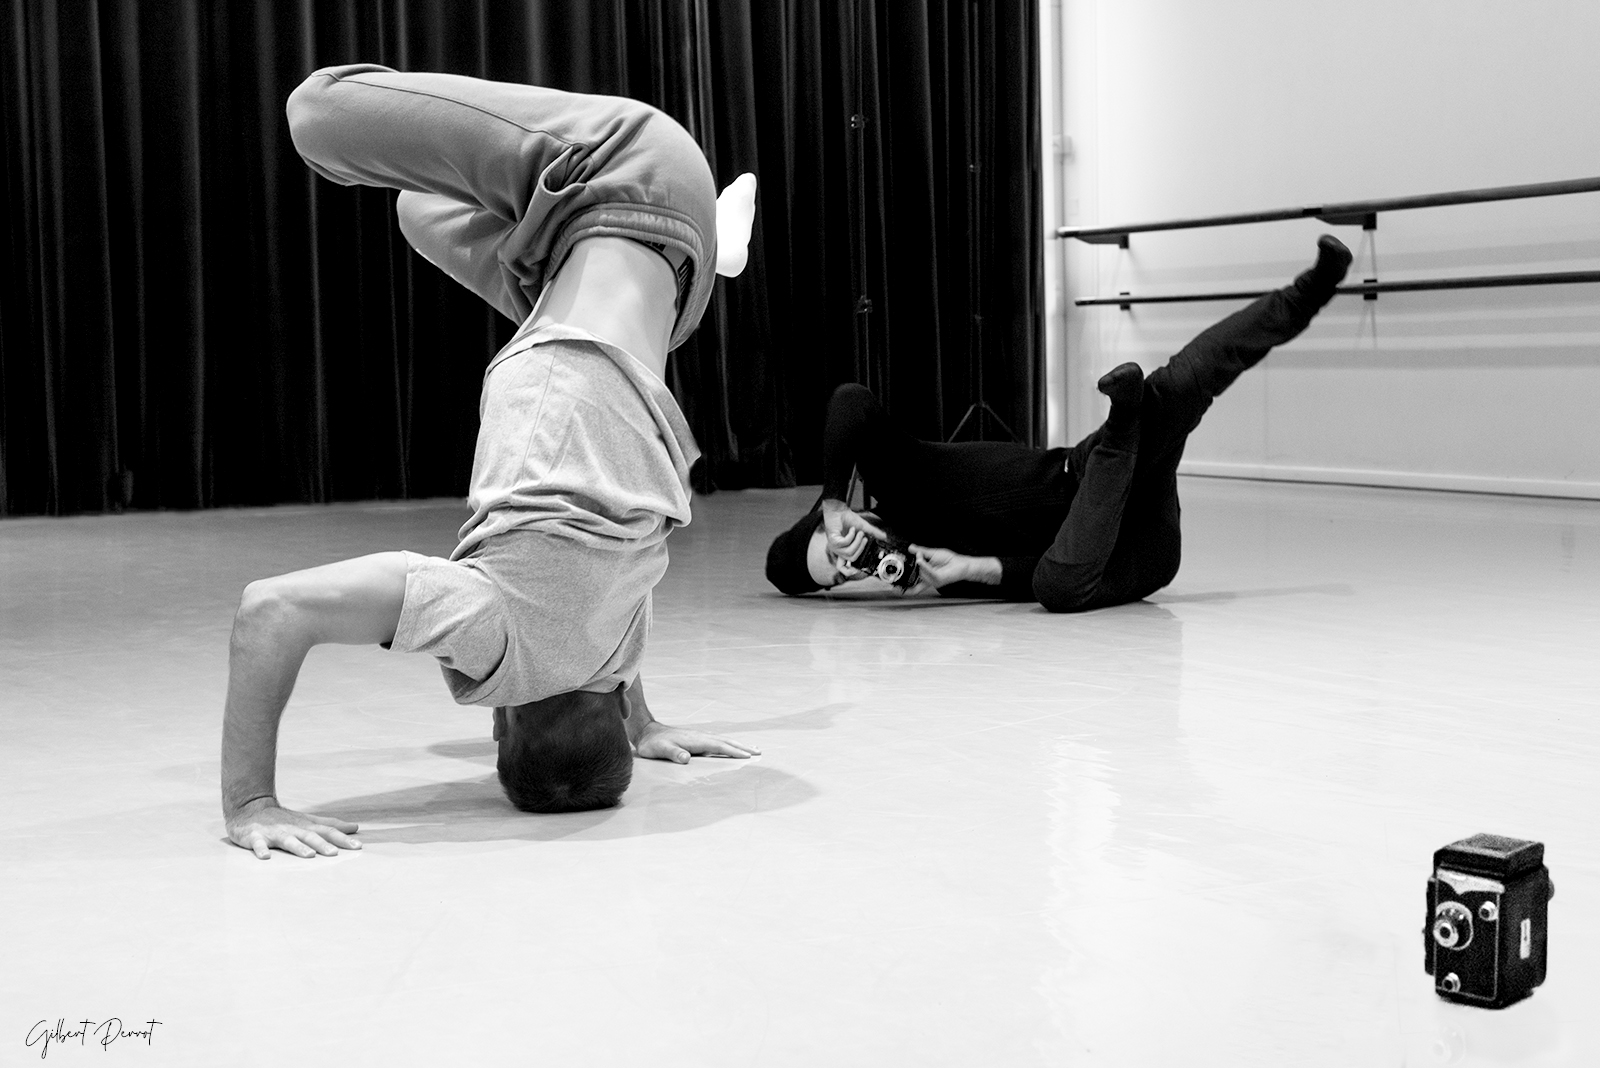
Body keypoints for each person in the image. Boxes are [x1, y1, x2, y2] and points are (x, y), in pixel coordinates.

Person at [221, 64, 762, 860]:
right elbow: (271, 610)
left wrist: (642, 726)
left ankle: (717, 249)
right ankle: (708, 232)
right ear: (504, 721)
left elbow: (605, 659)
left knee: (418, 209)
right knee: (317, 115)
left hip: (665, 293)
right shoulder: (495, 639)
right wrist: (252, 804)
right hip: (625, 175)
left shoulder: (609, 643)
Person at [765, 235, 1353, 611]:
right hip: (1130, 550)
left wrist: (831, 500)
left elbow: (851, 401)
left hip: (1088, 470)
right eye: (841, 579)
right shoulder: (929, 572)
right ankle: (1125, 422)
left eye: (834, 552)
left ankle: (1310, 290)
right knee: (1057, 587)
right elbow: (1031, 575)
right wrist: (976, 570)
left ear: (839, 523)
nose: (852, 563)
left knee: (1181, 386)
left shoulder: (897, 477)